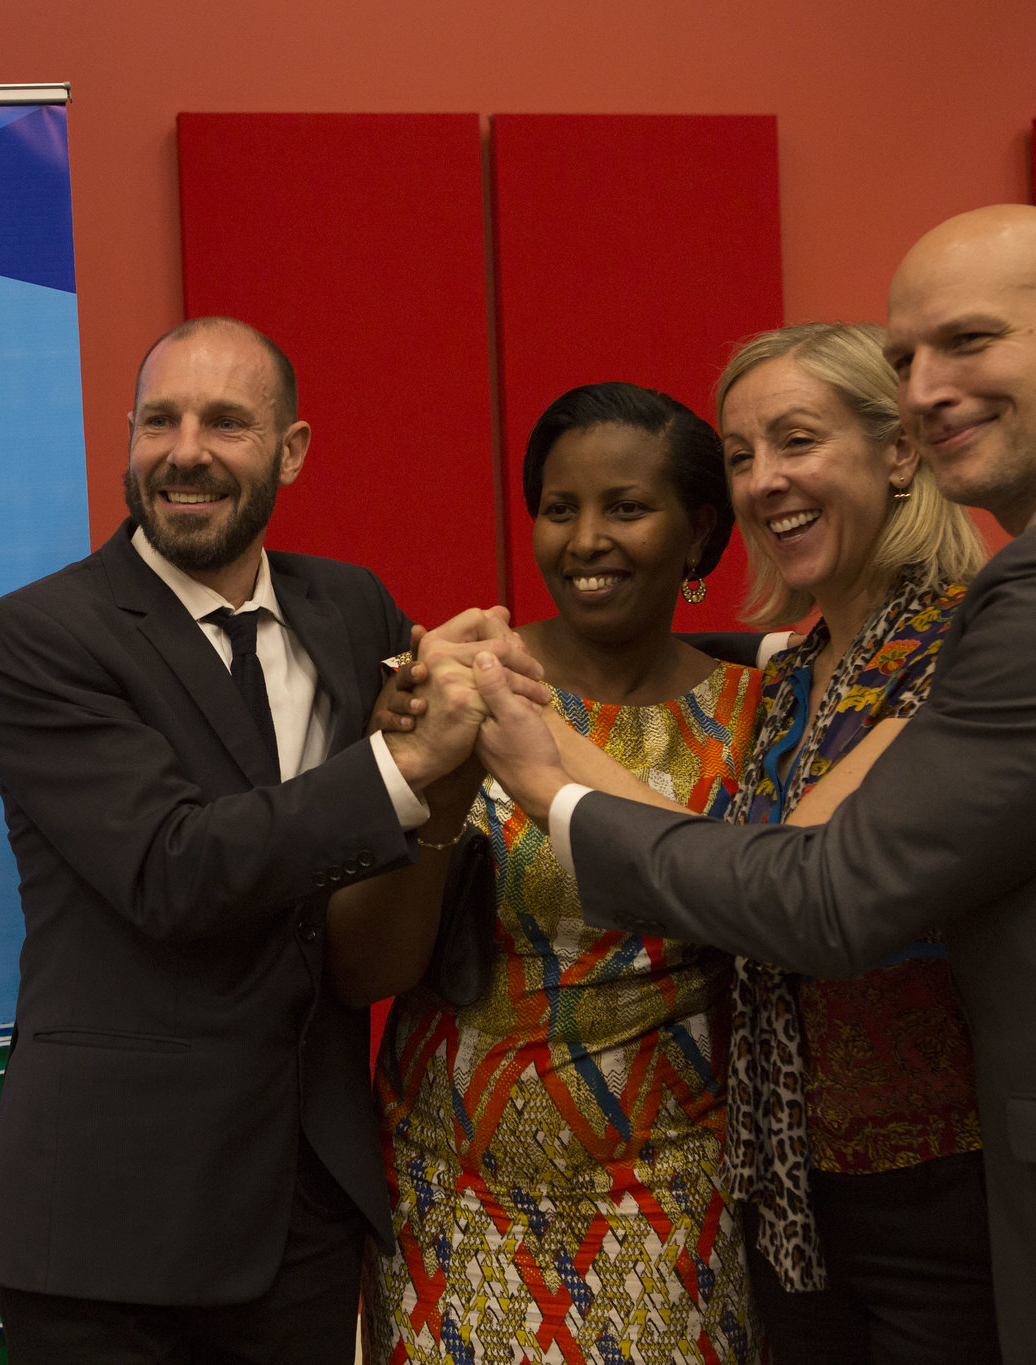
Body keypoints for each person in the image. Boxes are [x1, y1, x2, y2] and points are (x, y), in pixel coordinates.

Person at [469, 205, 1036, 1363]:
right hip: (800, 1195)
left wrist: (546, 788)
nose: (929, 390)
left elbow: (820, 895)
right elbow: (736, 846)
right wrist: (520, 709)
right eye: (904, 362)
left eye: (968, 342)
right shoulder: (801, 665)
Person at [0, 316, 538, 1362]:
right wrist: (403, 766)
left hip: (303, 1204)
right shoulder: (39, 634)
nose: (185, 450)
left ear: (290, 450)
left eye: (225, 421)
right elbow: (170, 870)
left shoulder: (348, 604)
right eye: (159, 421)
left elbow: (428, 786)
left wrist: (472, 670)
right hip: (112, 1229)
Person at [328, 382, 764, 1363]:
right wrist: (432, 776)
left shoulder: (757, 711)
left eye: (625, 508)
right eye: (558, 510)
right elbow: (364, 967)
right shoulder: (454, 689)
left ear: (698, 529)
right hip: (456, 1198)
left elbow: (779, 916)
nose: (584, 540)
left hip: (671, 1203)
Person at [714, 322, 995, 1361]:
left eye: (794, 441)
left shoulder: (966, 641)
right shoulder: (788, 676)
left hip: (945, 1192)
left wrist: (543, 759)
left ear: (896, 451)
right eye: (739, 456)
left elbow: (787, 879)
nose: (762, 481)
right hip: (788, 1194)